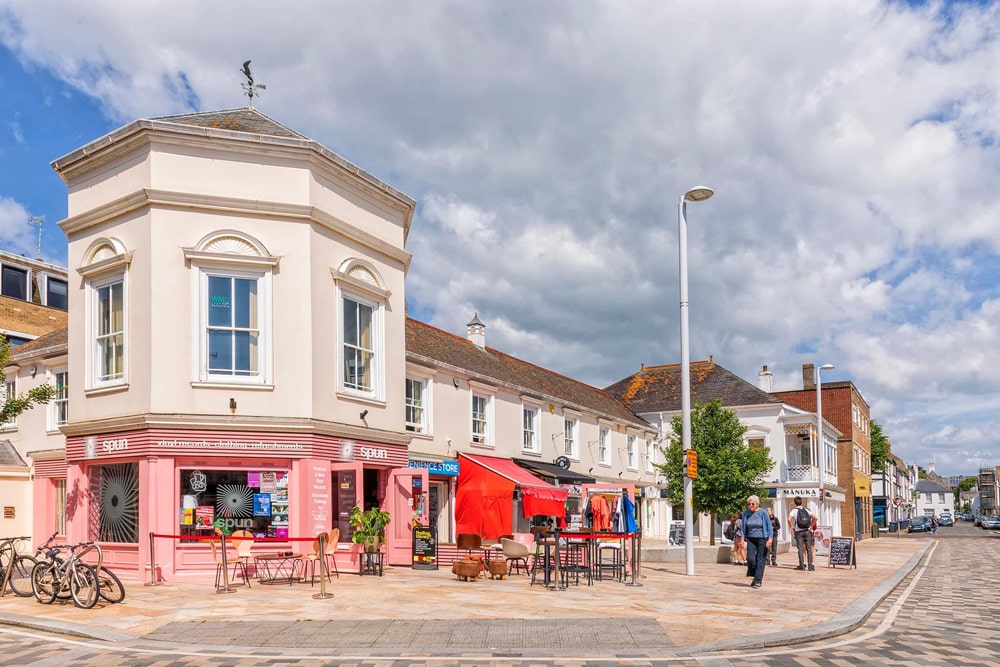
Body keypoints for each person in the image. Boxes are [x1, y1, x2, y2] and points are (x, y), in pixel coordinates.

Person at [741, 495, 773, 588]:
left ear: (757, 504)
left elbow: (769, 526)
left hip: (762, 538)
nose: (751, 505)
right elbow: (743, 526)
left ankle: (758, 581)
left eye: (753, 504)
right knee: (750, 559)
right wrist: (742, 538)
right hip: (750, 538)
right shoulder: (746, 513)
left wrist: (770, 538)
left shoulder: (763, 512)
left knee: (760, 559)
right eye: (749, 504)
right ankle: (755, 576)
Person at [788, 496, 814, 571]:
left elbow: (789, 519)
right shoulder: (806, 510)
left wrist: (791, 527)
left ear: (795, 503)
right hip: (807, 531)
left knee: (800, 549)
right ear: (801, 502)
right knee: (809, 549)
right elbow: (815, 517)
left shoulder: (794, 511)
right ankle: (810, 566)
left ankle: (802, 566)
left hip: (798, 532)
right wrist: (811, 526)